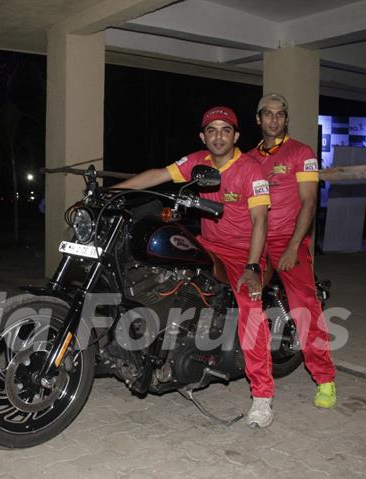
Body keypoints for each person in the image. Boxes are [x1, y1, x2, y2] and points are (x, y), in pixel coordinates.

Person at [113, 106, 276, 428]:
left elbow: (260, 221)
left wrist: (252, 266)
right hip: (209, 243)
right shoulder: (196, 162)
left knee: (249, 306)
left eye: (225, 130)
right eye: (212, 130)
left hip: (246, 250)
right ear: (203, 136)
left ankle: (262, 395)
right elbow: (157, 174)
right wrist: (110, 194)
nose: (218, 136)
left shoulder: (250, 170)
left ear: (236, 136)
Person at [247, 93, 337, 408]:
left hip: (289, 238)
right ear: (258, 119)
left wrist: (294, 246)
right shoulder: (247, 158)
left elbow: (310, 202)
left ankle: (325, 379)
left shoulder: (302, 152)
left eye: (280, 114)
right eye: (268, 114)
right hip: (256, 238)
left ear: (286, 119)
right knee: (244, 298)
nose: (274, 119)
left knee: (303, 306)